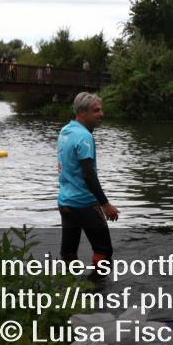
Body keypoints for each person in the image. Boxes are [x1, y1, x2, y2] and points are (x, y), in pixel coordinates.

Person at [57, 92, 120, 268]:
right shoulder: (84, 137)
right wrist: (105, 205)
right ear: (82, 112)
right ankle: (96, 291)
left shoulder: (65, 131)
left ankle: (67, 289)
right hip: (84, 204)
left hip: (65, 203)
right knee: (103, 253)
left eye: (101, 110)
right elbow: (89, 174)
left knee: (69, 252)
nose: (101, 114)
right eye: (96, 110)